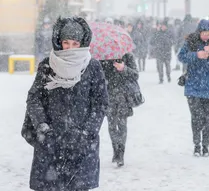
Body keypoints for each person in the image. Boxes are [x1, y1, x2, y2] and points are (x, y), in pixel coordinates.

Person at [23, 17, 109, 191]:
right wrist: (43, 125)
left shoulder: (92, 67)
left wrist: (87, 132)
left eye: (75, 43)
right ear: (58, 42)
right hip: (51, 142)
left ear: (82, 43)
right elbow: (34, 97)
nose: (69, 48)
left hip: (81, 144)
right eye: (66, 42)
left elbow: (100, 103)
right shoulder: (47, 65)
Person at [178, 19, 209, 157]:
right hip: (193, 85)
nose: (206, 36)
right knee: (196, 116)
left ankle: (206, 146)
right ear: (199, 32)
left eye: (208, 33)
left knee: (206, 117)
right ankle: (196, 145)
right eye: (203, 33)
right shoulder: (191, 42)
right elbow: (181, 56)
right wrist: (196, 55)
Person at [100, 53, 139, 167]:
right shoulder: (102, 57)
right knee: (112, 125)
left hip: (123, 96)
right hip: (108, 96)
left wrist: (123, 68)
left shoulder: (127, 56)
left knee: (122, 125)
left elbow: (135, 75)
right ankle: (115, 150)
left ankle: (120, 153)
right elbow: (97, 76)